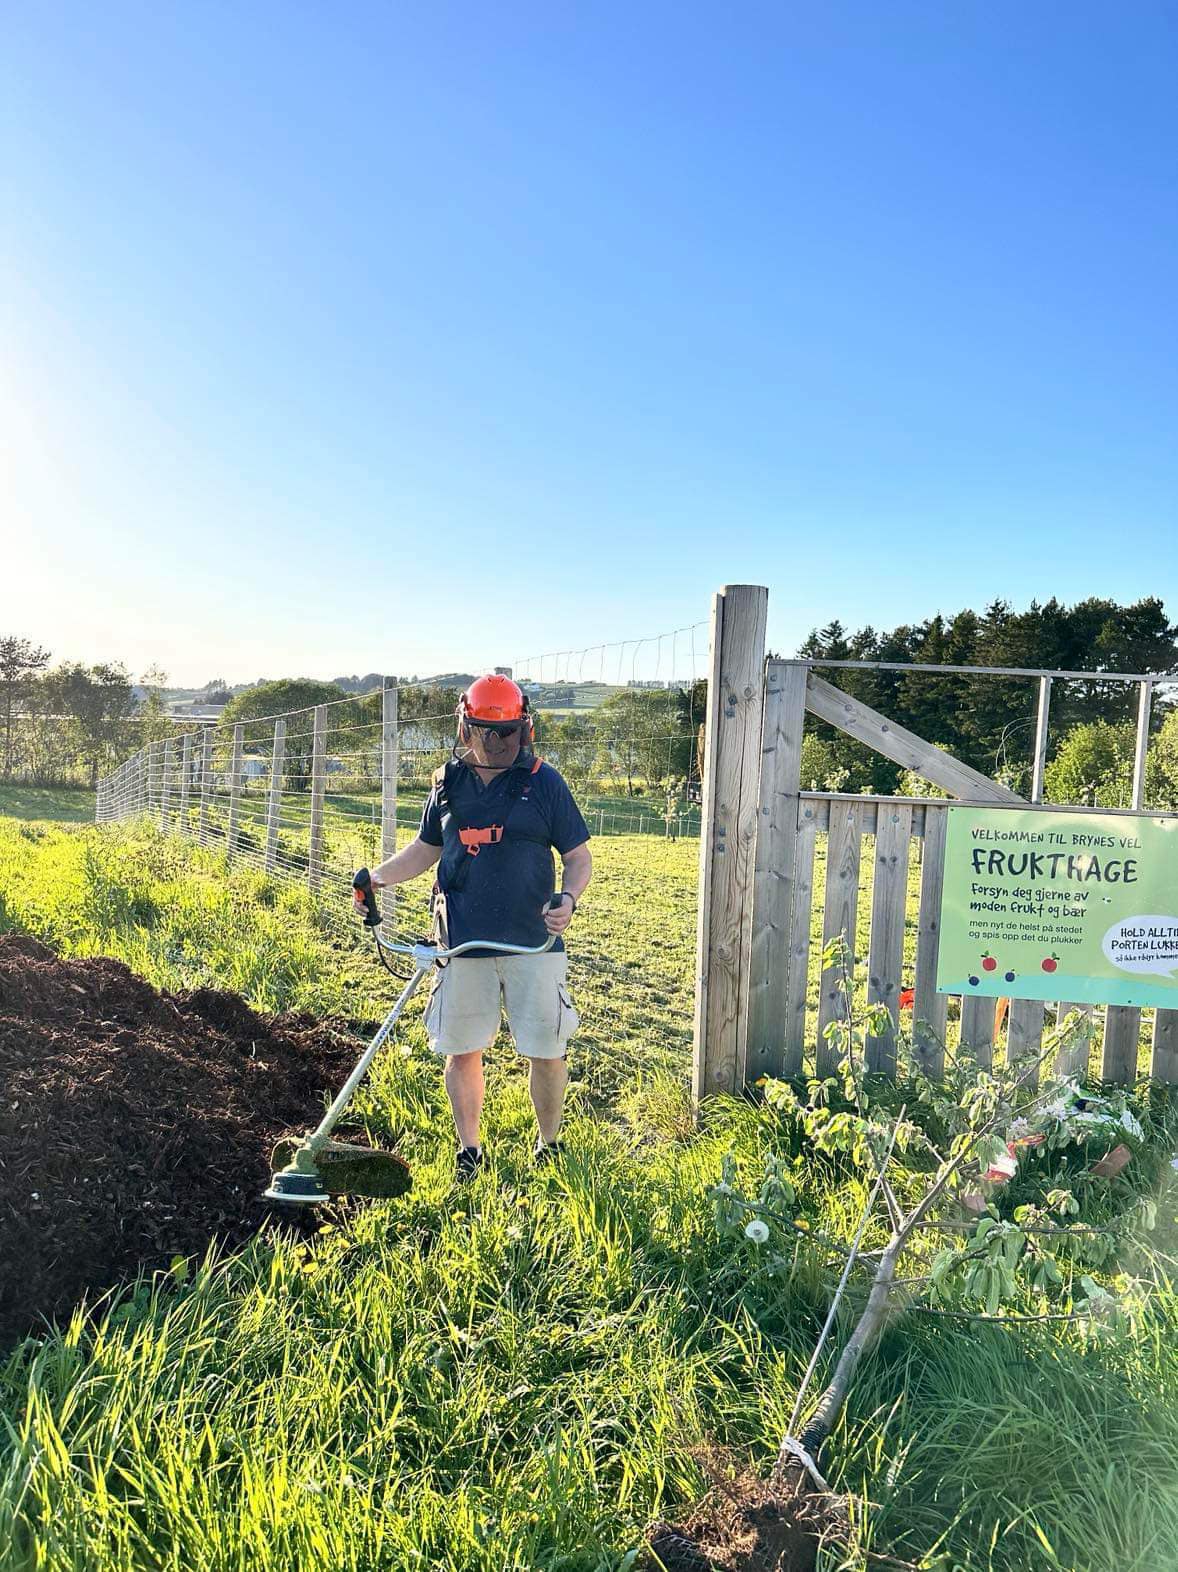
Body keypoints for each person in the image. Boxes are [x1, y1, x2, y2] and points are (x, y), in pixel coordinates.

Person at [356, 674, 592, 1180]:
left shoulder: (544, 782)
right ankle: (470, 1152)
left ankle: (549, 1146)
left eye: (506, 734)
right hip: (462, 942)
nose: (496, 743)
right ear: (465, 727)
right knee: (462, 1050)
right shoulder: (446, 784)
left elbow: (578, 857)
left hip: (535, 944)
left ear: (523, 730)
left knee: (546, 1049)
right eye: (486, 732)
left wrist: (568, 899)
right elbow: (425, 851)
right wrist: (377, 877)